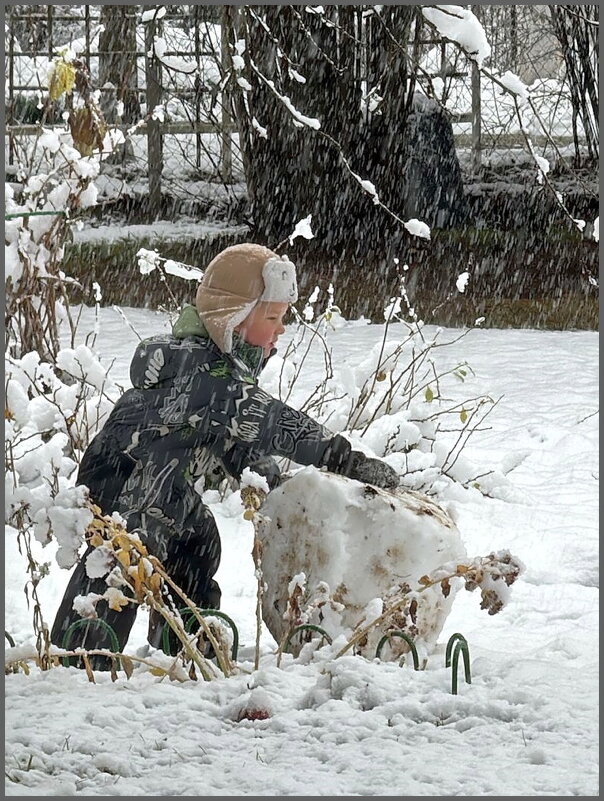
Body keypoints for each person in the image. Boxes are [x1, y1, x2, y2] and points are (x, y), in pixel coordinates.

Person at [50, 243, 399, 665]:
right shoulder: (201, 371)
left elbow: (239, 446)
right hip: (123, 492)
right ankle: (82, 655)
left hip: (164, 490)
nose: (282, 328)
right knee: (125, 557)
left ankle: (188, 646)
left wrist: (281, 494)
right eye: (272, 317)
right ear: (231, 320)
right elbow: (267, 420)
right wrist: (344, 458)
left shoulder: (222, 376)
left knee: (198, 541)